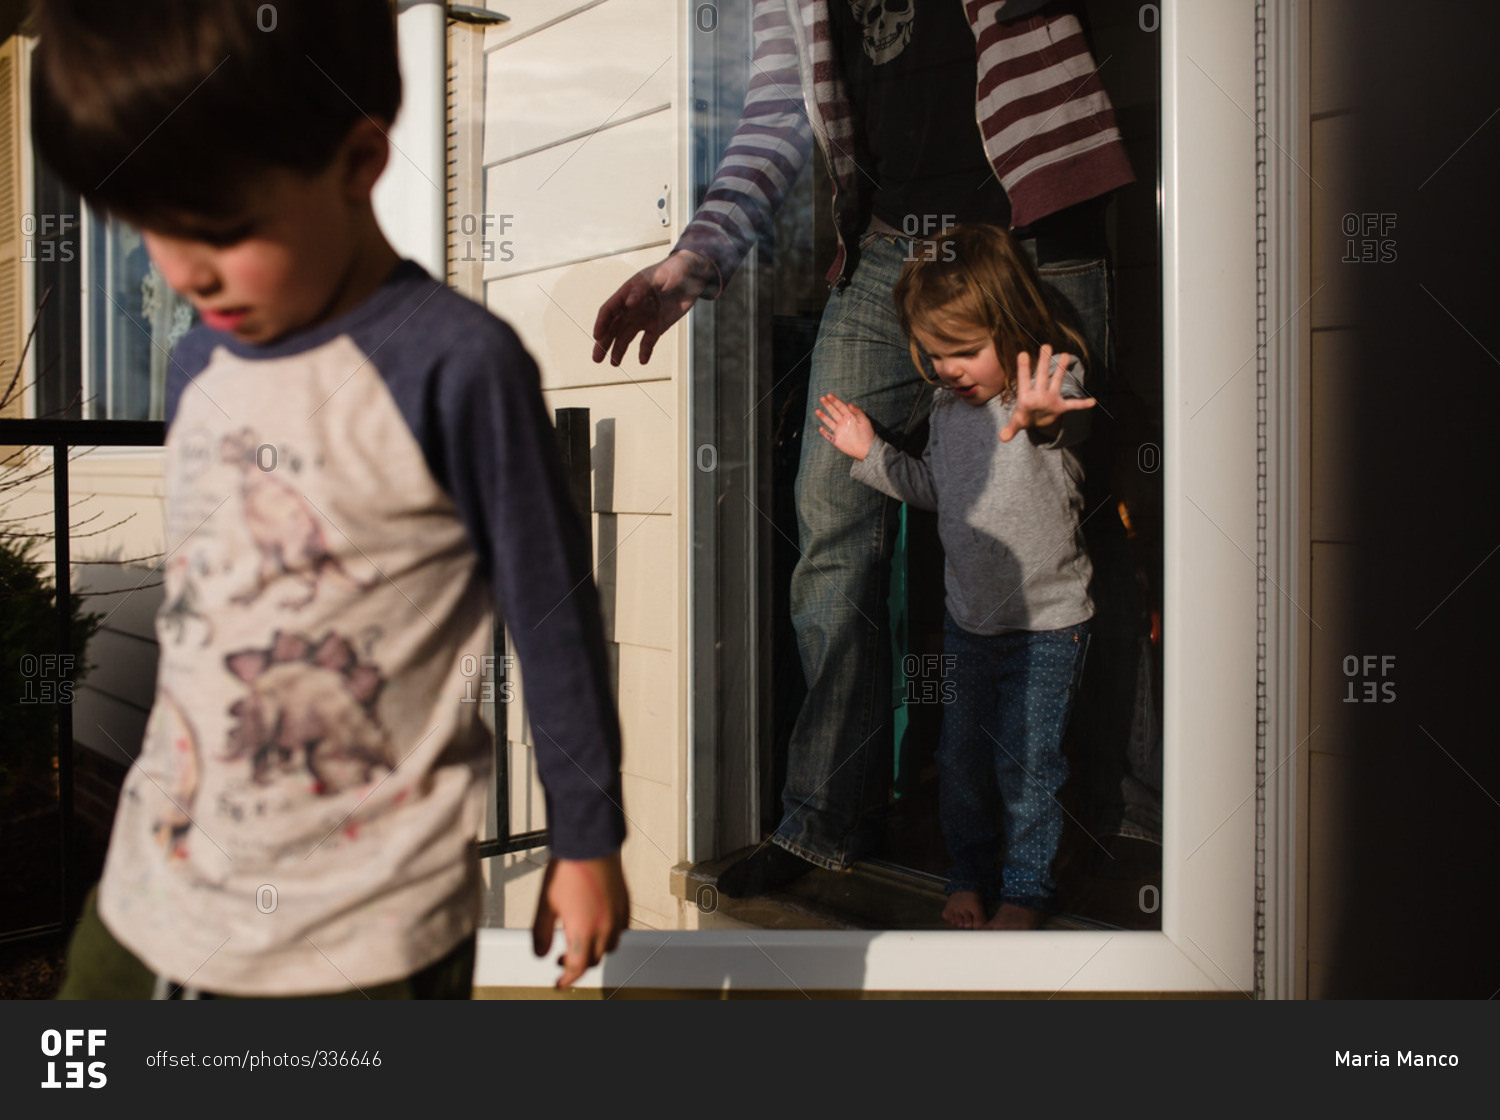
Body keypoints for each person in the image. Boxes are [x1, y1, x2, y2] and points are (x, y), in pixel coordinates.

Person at [33, 0, 628, 997]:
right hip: (156, 884)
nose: (181, 272)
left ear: (358, 162)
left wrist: (585, 835)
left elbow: (552, 612)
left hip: (363, 926)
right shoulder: (195, 364)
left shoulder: (456, 366)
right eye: (145, 229)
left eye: (221, 228)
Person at [593, 0, 1140, 895]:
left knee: (1075, 510)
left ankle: (1097, 818)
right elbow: (776, 117)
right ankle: (823, 819)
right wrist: (694, 259)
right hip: (896, 248)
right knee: (831, 513)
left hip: (1035, 224)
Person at [814, 224, 1094, 928]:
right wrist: (872, 453)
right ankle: (967, 875)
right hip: (970, 625)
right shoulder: (946, 408)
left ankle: (1026, 891)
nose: (948, 370)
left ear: (1012, 324)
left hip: (1048, 628)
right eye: (935, 355)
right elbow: (938, 489)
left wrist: (1040, 418)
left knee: (1028, 765)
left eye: (965, 351)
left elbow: (1068, 424)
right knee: (960, 760)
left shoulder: (1048, 383)